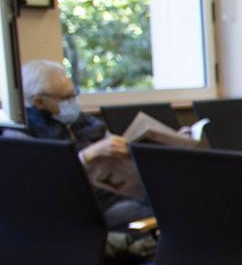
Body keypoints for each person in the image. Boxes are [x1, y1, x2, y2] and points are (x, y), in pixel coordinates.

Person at [17, 59, 152, 228]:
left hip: (120, 194)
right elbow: (45, 187)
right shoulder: (23, 136)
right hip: (86, 211)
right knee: (174, 210)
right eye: (66, 98)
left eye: (74, 94)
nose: (73, 102)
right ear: (39, 102)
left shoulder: (82, 121)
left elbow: (111, 144)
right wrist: (88, 155)